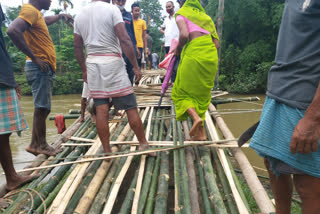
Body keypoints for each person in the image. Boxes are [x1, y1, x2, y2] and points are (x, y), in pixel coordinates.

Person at [249, 1, 320, 213]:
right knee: (274, 167)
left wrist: (313, 117)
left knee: (308, 187)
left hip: (306, 101)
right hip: (278, 93)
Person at [74, 0, 155, 156]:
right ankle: (143, 144)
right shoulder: (112, 10)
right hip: (112, 63)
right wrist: (135, 66)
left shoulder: (80, 15)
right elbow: (124, 39)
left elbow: (77, 46)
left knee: (101, 109)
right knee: (131, 106)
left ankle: (106, 150)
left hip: (92, 64)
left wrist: (84, 70)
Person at [7, 0, 72, 156]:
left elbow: (46, 20)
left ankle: (35, 143)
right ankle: (40, 144)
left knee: (43, 107)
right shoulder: (29, 10)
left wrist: (60, 16)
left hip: (40, 67)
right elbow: (12, 30)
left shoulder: (36, 14)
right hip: (39, 66)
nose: (50, 1)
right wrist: (35, 58)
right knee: (41, 107)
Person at [0, 3, 38, 194]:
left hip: (2, 75)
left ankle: (11, 177)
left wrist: (9, 77)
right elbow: (10, 32)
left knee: (3, 132)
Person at [171, 0, 219, 140]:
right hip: (210, 58)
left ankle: (195, 117)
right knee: (202, 95)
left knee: (179, 93)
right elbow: (216, 44)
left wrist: (178, 50)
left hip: (194, 54)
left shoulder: (182, 14)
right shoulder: (206, 18)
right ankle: (201, 134)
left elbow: (184, 35)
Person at [113, 0, 140, 84]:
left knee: (130, 70)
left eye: (123, 1)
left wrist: (136, 48)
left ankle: (129, 90)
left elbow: (132, 32)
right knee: (118, 70)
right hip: (116, 47)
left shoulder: (128, 15)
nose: (121, 3)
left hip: (128, 47)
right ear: (114, 1)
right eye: (118, 1)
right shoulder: (111, 12)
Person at [132, 2, 148, 69]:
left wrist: (146, 48)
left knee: (138, 65)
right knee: (130, 64)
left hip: (139, 46)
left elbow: (144, 36)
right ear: (132, 11)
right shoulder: (129, 21)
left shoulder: (143, 22)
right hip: (130, 45)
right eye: (135, 11)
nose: (137, 12)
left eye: (138, 11)